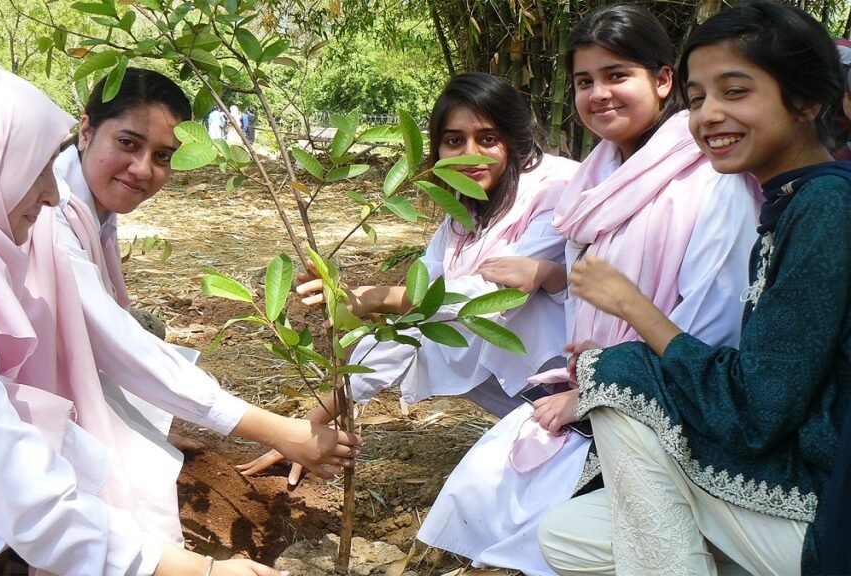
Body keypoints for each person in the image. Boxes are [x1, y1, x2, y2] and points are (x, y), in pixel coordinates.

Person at [0, 64, 288, 576]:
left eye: (163, 156)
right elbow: (15, 481)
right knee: (0, 469)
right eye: (35, 169)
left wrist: (133, 431)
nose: (50, 193)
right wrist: (197, 570)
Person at [416, 6, 761, 574]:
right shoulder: (592, 182)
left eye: (616, 75)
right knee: (480, 490)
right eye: (584, 81)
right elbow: (578, 296)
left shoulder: (710, 180)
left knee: (546, 528)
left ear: (663, 80)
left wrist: (600, 392)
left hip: (672, 399)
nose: (599, 94)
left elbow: (714, 324)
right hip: (596, 377)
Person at [538, 2, 850, 574]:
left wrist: (631, 309)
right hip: (782, 446)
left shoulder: (824, 207)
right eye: (699, 97)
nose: (708, 115)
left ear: (807, 101)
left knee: (617, 370)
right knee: (567, 536)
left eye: (736, 91)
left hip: (828, 498)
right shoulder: (788, 201)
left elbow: (757, 410)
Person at [21, 66, 361, 553]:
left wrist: (143, 425)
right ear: (86, 129)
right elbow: (114, 343)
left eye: (163, 156)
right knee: (126, 509)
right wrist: (278, 430)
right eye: (128, 143)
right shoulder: (51, 213)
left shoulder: (92, 204)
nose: (143, 170)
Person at [238, 71, 579, 484]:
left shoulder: (558, 188)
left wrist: (377, 296)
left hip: (574, 375)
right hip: (523, 381)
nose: (470, 155)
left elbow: (490, 294)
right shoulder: (464, 214)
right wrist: (305, 430)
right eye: (454, 141)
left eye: (487, 139)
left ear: (514, 138)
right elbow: (419, 312)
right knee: (425, 329)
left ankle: (578, 443)